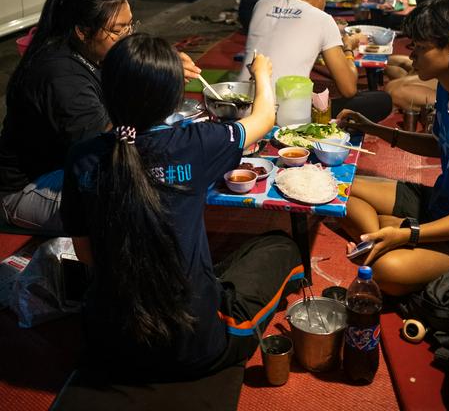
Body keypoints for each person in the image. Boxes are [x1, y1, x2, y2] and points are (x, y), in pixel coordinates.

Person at [60, 35, 303, 380]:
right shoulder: (195, 144)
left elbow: (86, 255)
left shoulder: (81, 158)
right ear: (175, 99)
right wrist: (261, 72)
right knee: (281, 246)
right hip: (195, 348)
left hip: (109, 347)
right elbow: (264, 117)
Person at [0, 0, 200, 232]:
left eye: (130, 26)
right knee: (137, 197)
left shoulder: (94, 51)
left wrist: (162, 64)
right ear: (82, 31)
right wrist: (158, 78)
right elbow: (107, 146)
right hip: (26, 189)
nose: (127, 37)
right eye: (117, 31)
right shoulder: (60, 75)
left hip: (68, 166)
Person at [337, 0, 449, 296]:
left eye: (420, 48)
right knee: (336, 190)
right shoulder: (446, 87)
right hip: (441, 201)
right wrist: (374, 128)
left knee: (386, 271)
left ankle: (391, 236)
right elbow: (440, 144)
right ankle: (383, 234)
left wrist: (411, 234)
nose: (412, 55)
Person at [238, 0, 392, 122]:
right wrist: (348, 48)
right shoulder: (323, 20)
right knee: (381, 100)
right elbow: (348, 89)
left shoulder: (261, 5)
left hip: (239, 103)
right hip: (280, 115)